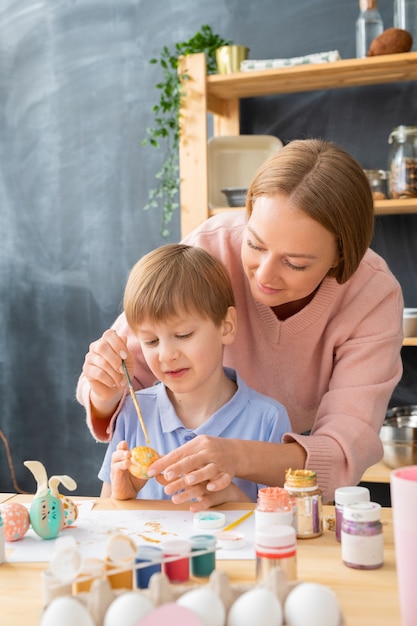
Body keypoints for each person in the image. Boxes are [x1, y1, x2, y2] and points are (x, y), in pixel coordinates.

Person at [78, 138, 404, 508]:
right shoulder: (210, 249)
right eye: (255, 244)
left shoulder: (372, 295)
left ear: (340, 256)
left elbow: (343, 451)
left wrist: (234, 456)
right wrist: (104, 392)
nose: (264, 275)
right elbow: (124, 375)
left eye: (295, 263)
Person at [98, 243, 291, 504]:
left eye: (183, 335)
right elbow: (106, 521)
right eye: (151, 341)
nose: (166, 355)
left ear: (226, 326)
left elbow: (283, 526)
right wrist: (124, 495)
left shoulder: (268, 419)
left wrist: (231, 498)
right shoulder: (134, 411)